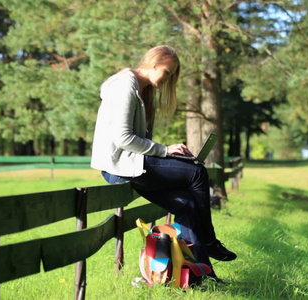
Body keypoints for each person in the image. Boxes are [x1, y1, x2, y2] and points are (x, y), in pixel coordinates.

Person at [90, 45, 236, 281]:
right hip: (119, 166)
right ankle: (208, 241)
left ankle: (203, 277)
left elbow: (138, 140)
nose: (167, 79)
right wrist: (164, 150)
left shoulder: (142, 90)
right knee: (197, 172)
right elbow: (123, 138)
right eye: (167, 73)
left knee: (187, 204)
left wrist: (168, 153)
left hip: (130, 162)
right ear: (154, 63)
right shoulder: (124, 86)